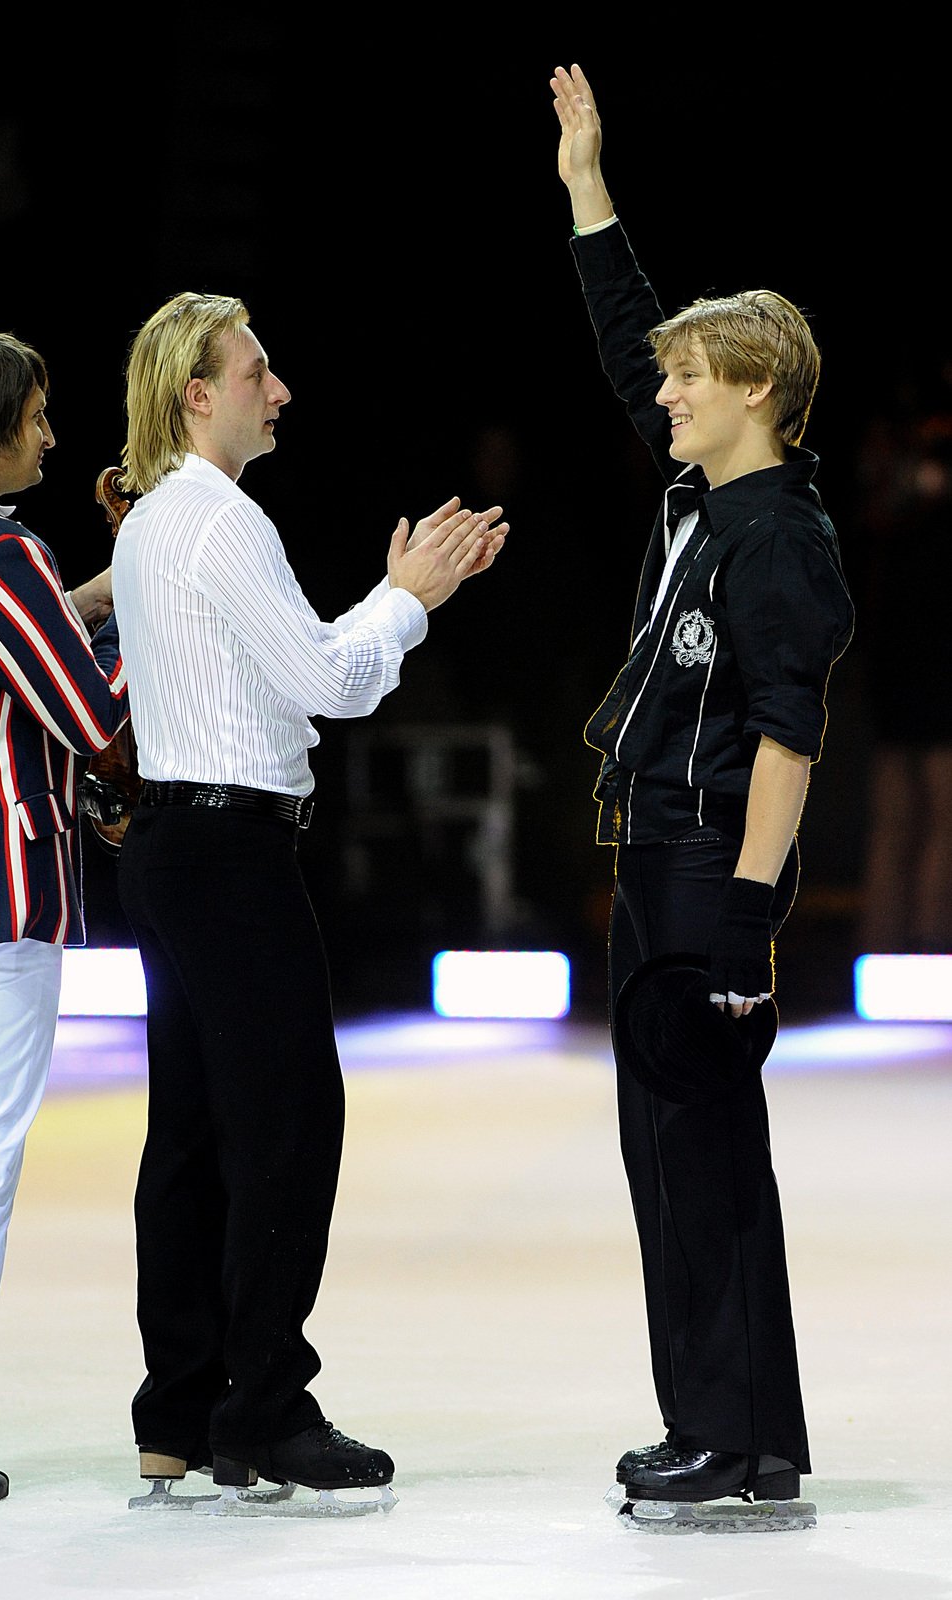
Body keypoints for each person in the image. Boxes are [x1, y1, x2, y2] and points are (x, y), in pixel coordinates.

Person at [111, 291, 507, 1508]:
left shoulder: (150, 526)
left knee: (189, 1131)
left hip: (173, 846)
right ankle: (264, 1410)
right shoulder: (220, 522)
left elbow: (279, 689)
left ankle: (181, 1408)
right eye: (256, 371)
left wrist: (375, 621)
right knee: (285, 1125)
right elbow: (328, 684)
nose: (277, 391)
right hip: (230, 856)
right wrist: (408, 598)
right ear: (197, 392)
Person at [551, 65, 854, 1509]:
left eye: (686, 377)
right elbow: (624, 340)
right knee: (670, 1157)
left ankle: (733, 1439)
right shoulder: (698, 494)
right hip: (656, 855)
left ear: (754, 392)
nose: (659, 392)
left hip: (703, 874)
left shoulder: (778, 539)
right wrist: (583, 186)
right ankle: (727, 1428)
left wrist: (746, 920)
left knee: (701, 1156)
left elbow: (788, 737)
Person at [0, 330, 127, 1502]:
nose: (51, 433)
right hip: (1, 893)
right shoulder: (4, 551)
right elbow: (90, 718)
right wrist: (158, 619)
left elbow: (25, 634)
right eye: (35, 413)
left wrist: (91, 590)